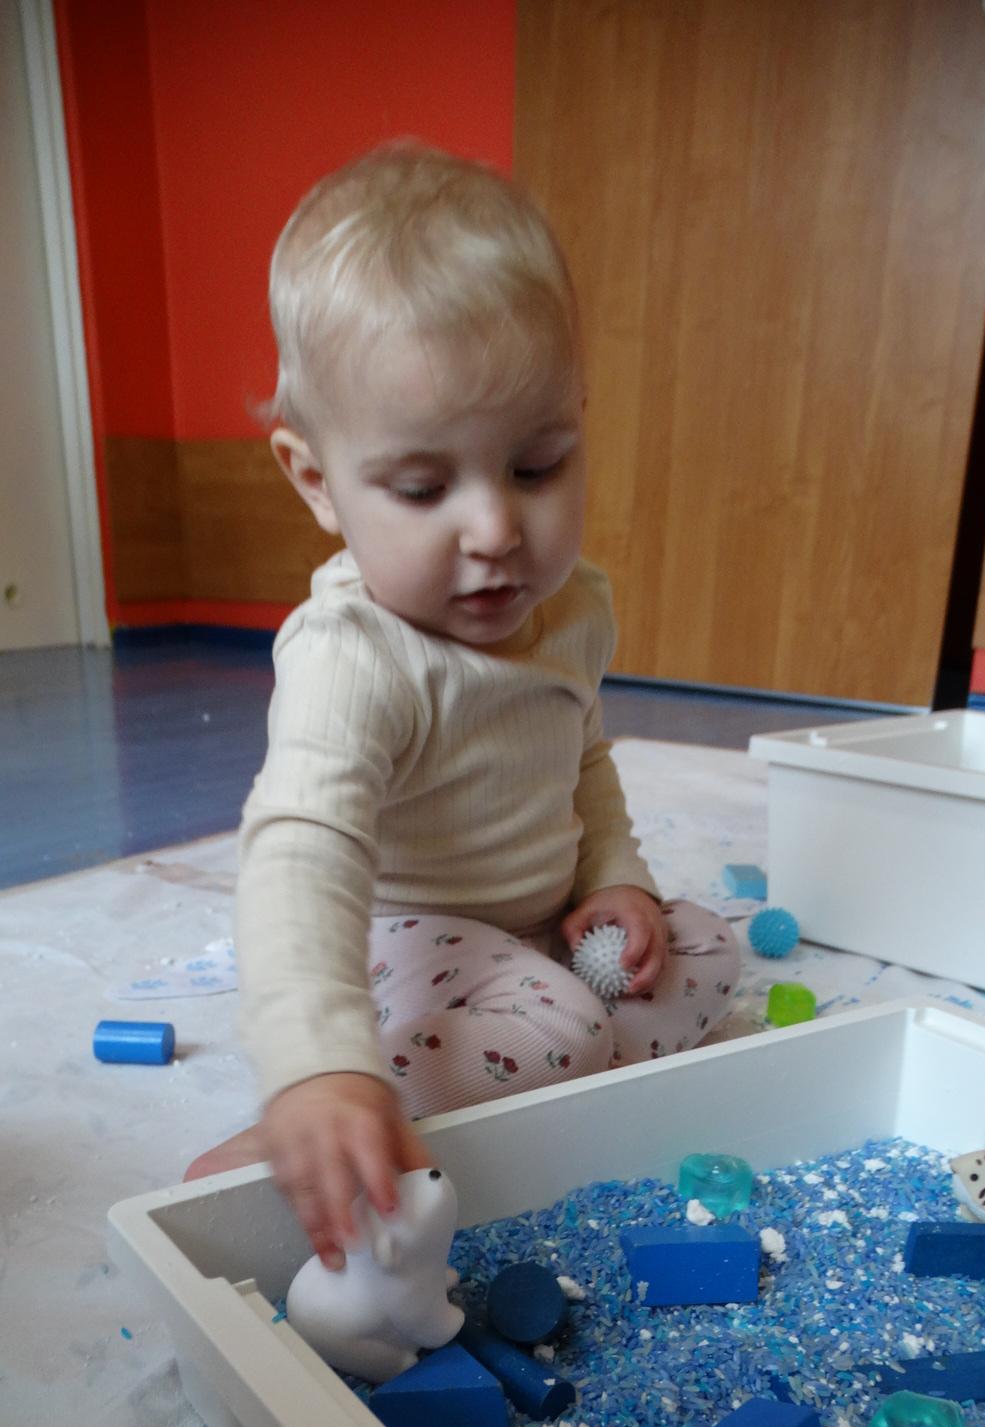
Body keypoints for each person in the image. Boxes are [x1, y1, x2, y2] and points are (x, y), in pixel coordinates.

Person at [187, 142, 740, 1267]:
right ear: (317, 481)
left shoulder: (574, 608)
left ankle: (537, 1064)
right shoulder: (355, 654)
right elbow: (302, 851)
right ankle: (333, 1128)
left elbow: (582, 759)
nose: (494, 531)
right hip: (404, 937)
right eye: (424, 487)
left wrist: (616, 881)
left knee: (708, 951)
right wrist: (317, 1062)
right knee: (567, 1025)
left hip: (541, 929)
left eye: (536, 467)